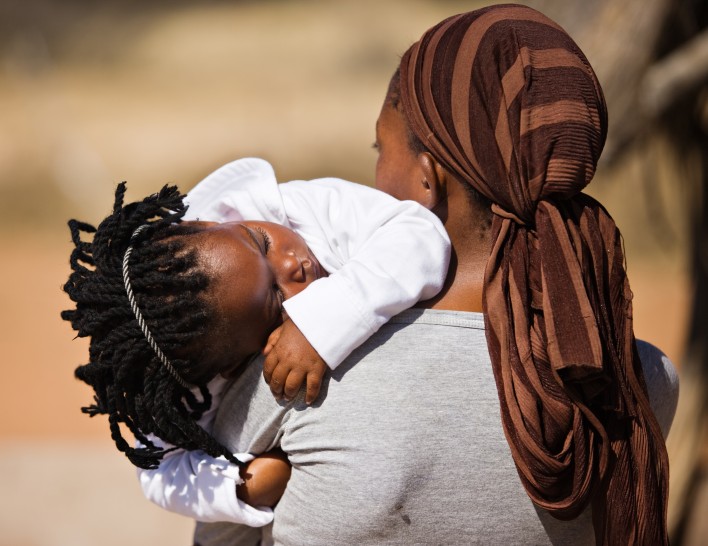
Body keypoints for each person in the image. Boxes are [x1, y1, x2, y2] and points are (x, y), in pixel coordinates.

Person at [194, 4, 678, 545]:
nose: (375, 178)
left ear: (429, 179)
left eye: (382, 149)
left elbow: (221, 536)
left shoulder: (298, 373)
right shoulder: (641, 381)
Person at [62, 157, 450, 526]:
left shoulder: (293, 207)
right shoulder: (192, 366)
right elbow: (159, 471)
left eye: (262, 242)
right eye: (277, 298)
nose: (292, 264)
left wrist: (321, 322)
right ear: (230, 366)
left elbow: (420, 234)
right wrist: (239, 485)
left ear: (209, 222)